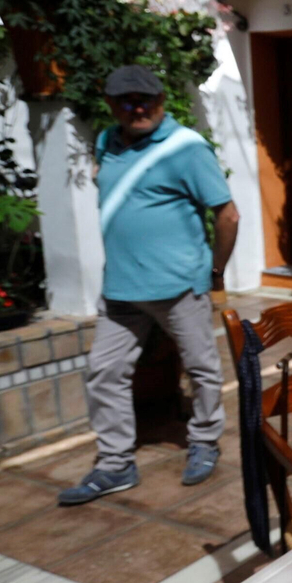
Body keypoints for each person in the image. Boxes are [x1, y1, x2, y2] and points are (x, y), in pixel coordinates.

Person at [58, 65, 240, 505]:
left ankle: (203, 441)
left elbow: (227, 214)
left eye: (144, 100)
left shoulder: (186, 148)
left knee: (201, 368)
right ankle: (116, 464)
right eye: (125, 101)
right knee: (104, 372)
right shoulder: (106, 141)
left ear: (160, 101)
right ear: (111, 105)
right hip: (120, 289)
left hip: (179, 286)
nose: (136, 108)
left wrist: (215, 272)